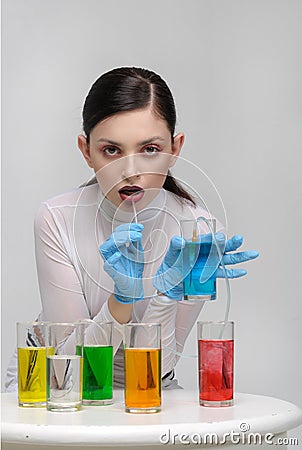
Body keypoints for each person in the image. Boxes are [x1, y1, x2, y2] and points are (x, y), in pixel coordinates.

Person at [5, 67, 258, 391]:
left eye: (149, 150)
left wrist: (168, 295)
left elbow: (159, 369)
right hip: (49, 383)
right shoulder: (56, 218)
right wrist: (121, 301)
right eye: (111, 150)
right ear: (86, 151)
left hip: (146, 385)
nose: (130, 171)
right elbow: (66, 374)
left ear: (174, 148)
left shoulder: (198, 231)